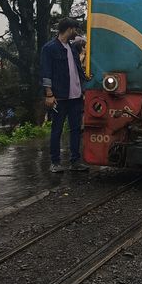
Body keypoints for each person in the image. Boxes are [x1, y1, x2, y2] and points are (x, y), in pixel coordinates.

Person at [40, 18, 88, 173]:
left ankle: (75, 161)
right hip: (59, 97)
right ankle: (55, 162)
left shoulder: (72, 48)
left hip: (76, 97)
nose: (76, 32)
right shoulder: (49, 48)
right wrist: (49, 94)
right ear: (69, 29)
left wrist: (85, 87)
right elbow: (46, 72)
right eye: (75, 29)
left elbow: (78, 70)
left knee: (76, 130)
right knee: (57, 130)